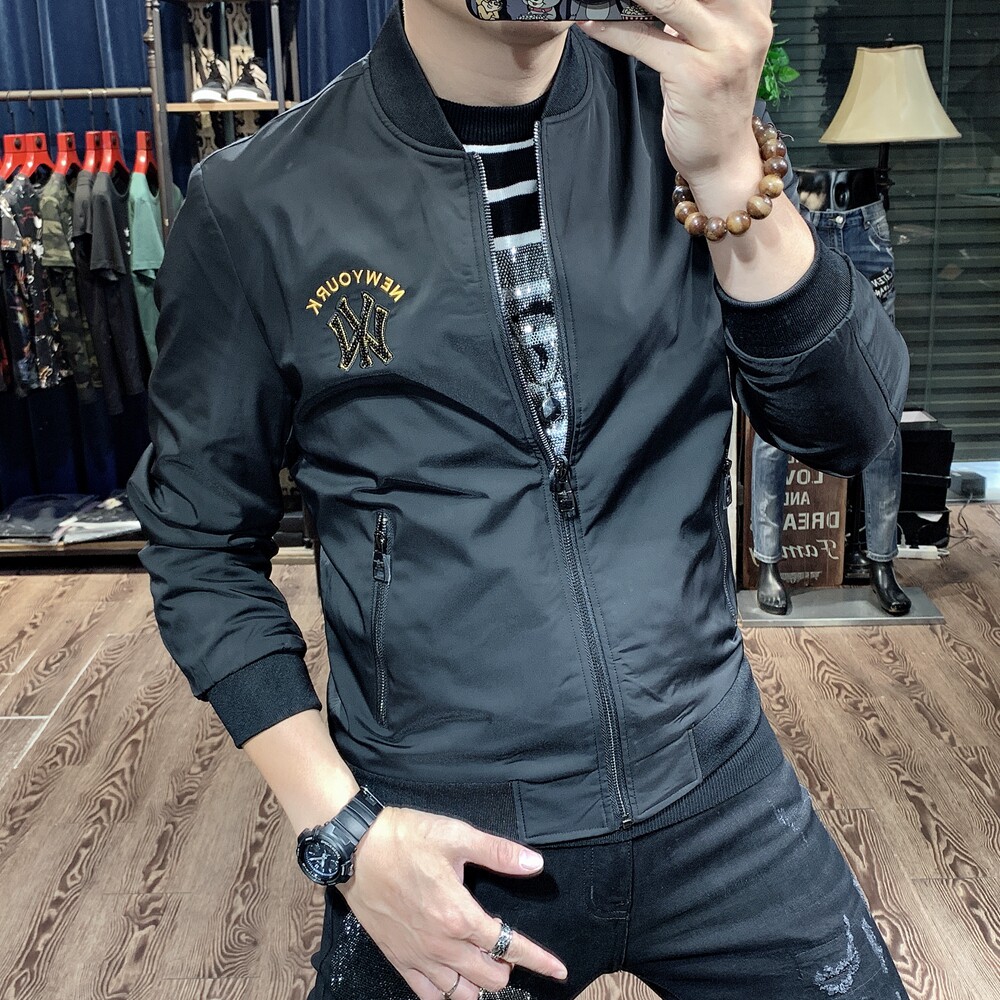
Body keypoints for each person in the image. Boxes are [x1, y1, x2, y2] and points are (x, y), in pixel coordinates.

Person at [128, 0, 912, 998]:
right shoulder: (259, 201)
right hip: (443, 831)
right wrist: (344, 831)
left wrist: (725, 167)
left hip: (714, 779)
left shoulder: (685, 121)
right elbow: (198, 546)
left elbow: (850, 428)